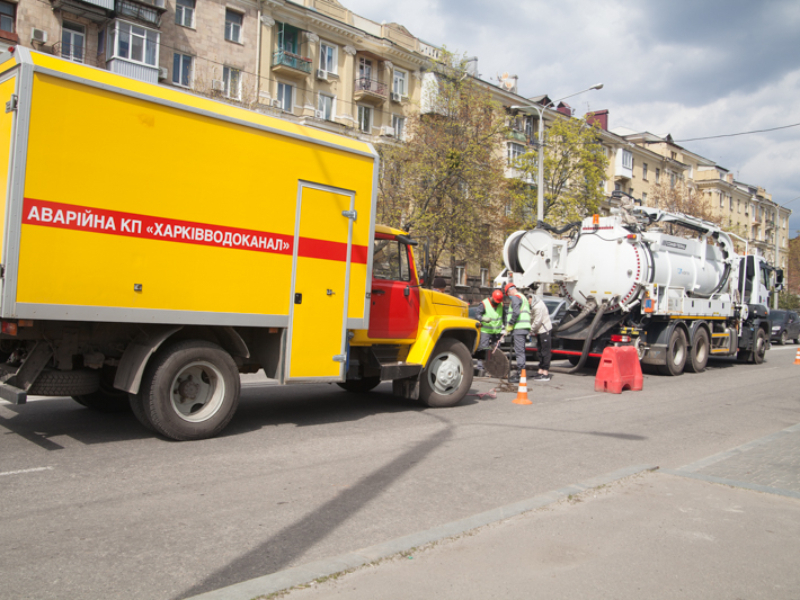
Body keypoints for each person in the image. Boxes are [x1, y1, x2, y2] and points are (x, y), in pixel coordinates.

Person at [504, 282, 531, 383]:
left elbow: (515, 312)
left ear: (510, 291)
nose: (509, 296)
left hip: (519, 327)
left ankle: (520, 374)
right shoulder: (523, 297)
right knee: (521, 351)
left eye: (508, 294)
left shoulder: (516, 297)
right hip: (523, 327)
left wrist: (510, 324)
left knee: (519, 352)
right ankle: (521, 373)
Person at [474, 289, 505, 374]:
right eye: (496, 302)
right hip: (486, 331)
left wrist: (506, 326)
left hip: (497, 332)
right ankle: (481, 368)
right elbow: (477, 315)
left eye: (498, 302)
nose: (497, 304)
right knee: (484, 349)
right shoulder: (484, 304)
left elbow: (504, 316)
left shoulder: (501, 304)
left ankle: (495, 369)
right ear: (492, 297)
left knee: (496, 351)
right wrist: (483, 318)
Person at [529, 294, 553, 382]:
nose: (528, 302)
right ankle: (541, 370)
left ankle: (545, 372)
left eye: (529, 301)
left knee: (545, 351)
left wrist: (530, 330)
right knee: (540, 350)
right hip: (540, 331)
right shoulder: (534, 306)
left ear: (531, 299)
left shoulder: (538, 306)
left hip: (544, 330)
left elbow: (537, 321)